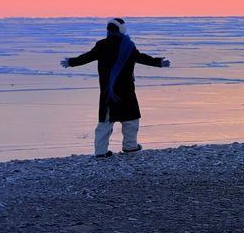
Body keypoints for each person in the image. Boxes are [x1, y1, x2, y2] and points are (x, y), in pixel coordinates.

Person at [61, 17, 170, 158]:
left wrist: (71, 62)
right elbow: (142, 58)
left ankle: (100, 151)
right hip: (126, 90)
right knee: (130, 119)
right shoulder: (128, 46)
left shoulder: (101, 45)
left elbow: (87, 57)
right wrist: (159, 62)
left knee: (105, 121)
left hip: (108, 90)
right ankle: (130, 146)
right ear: (122, 29)